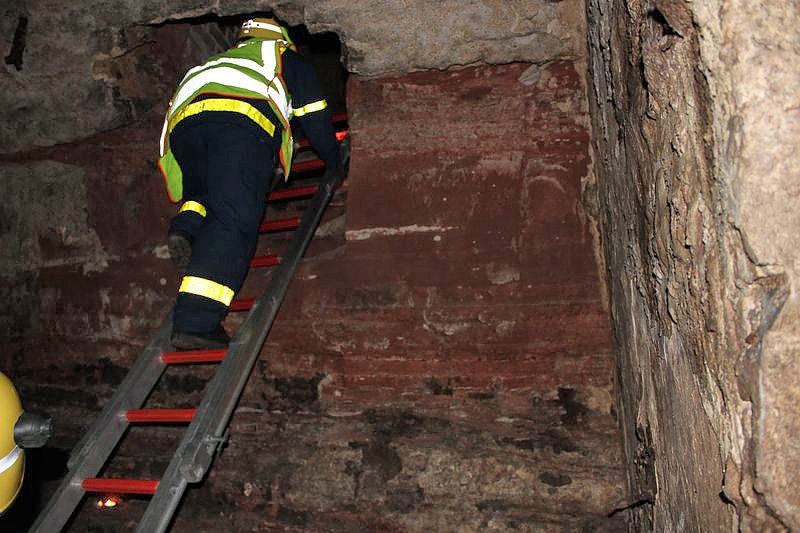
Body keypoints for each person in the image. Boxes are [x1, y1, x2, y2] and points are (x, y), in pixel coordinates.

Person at [157, 17, 340, 351]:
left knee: (203, 194)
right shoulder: (280, 55)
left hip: (186, 131)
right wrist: (334, 159)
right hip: (240, 126)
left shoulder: (218, 61)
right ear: (280, 37)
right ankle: (196, 322)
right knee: (233, 217)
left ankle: (187, 227)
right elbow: (314, 113)